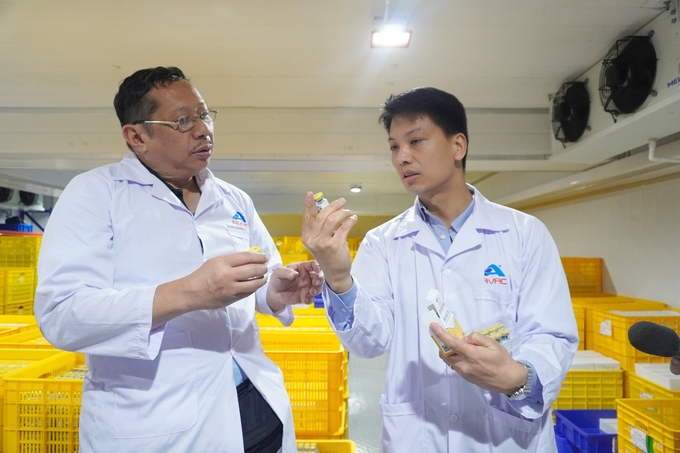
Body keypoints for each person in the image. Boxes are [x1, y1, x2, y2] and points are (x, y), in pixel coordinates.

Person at [34, 66, 322, 453]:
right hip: (157, 423)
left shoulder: (234, 200)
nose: (203, 130)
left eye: (204, 115)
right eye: (184, 120)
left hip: (254, 404)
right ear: (136, 136)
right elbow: (62, 315)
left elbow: (262, 276)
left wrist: (277, 290)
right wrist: (191, 292)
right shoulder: (95, 194)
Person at [301, 87, 578, 452]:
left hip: (504, 437)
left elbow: (552, 335)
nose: (402, 157)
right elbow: (371, 342)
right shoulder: (383, 242)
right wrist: (338, 278)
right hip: (418, 435)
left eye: (416, 141)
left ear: (458, 146)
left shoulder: (524, 234)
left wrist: (517, 378)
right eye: (394, 146)